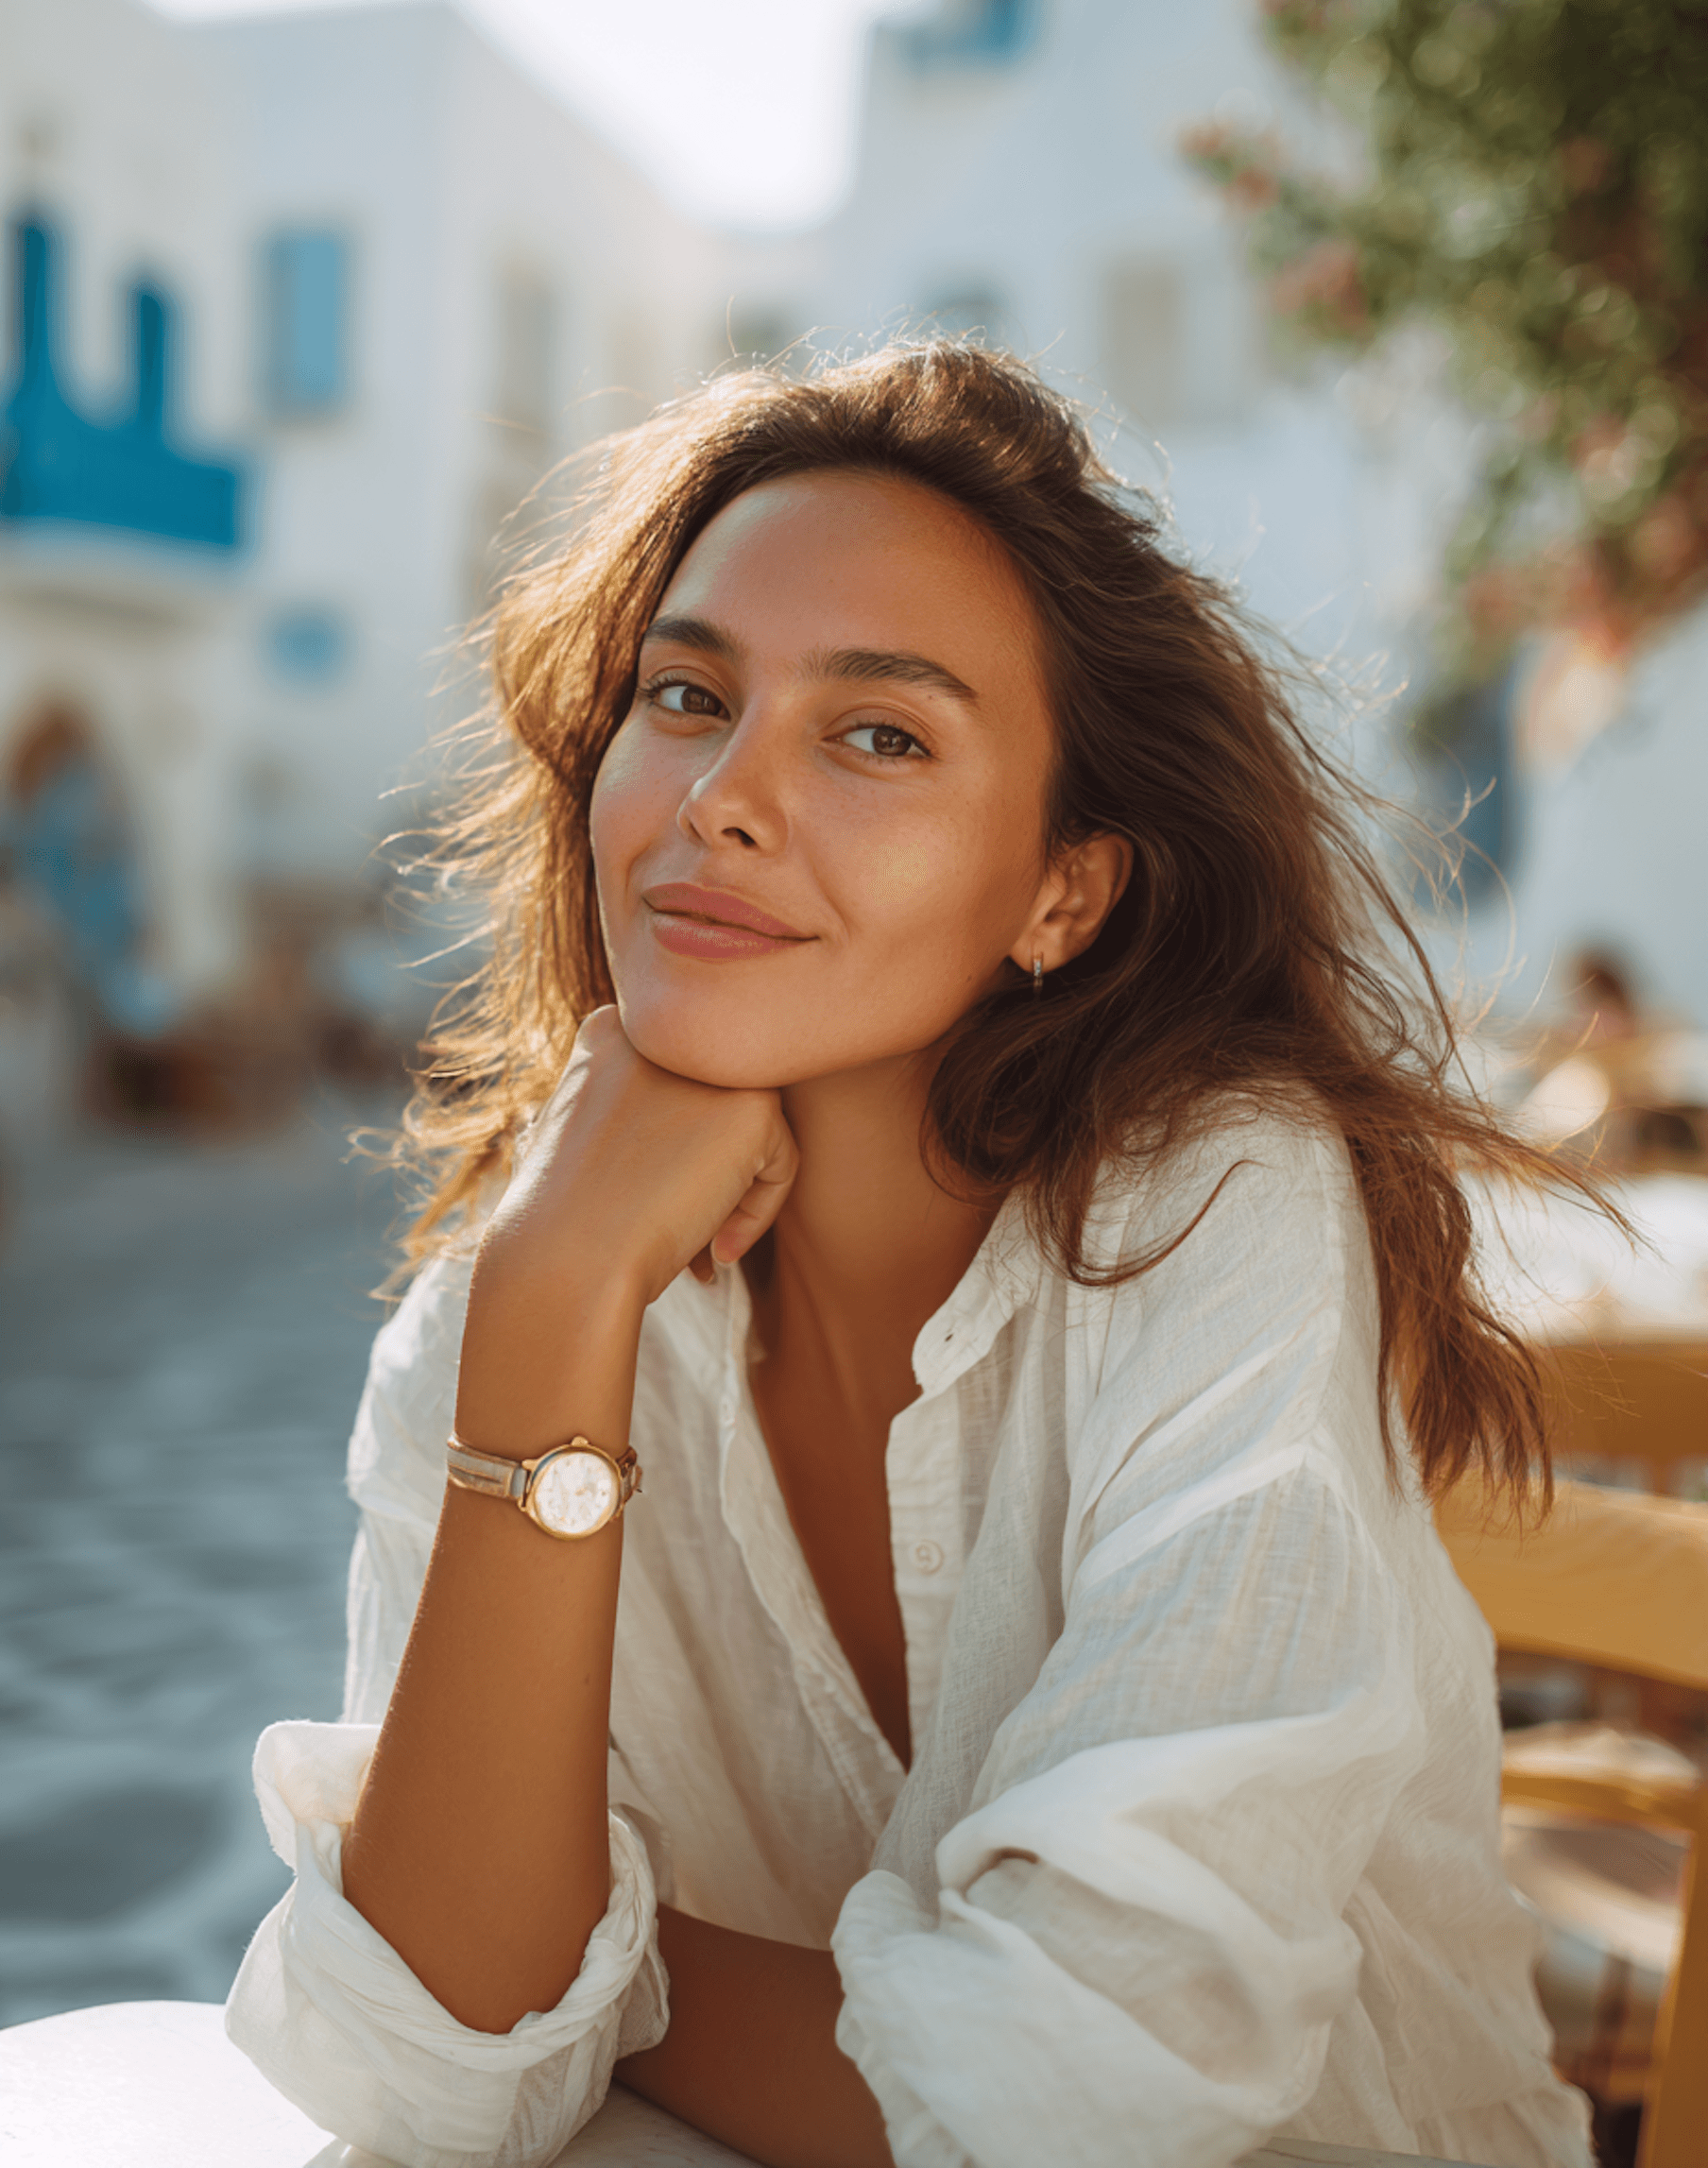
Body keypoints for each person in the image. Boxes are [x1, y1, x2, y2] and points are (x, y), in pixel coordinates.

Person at [227, 342, 1597, 2168]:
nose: (721, 796)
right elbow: (416, 2065)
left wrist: (597, 1978)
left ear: (1065, 891)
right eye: (685, 692)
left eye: (878, 733)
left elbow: (1078, 2095)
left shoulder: (1215, 1204)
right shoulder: (543, 1265)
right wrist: (552, 1302)